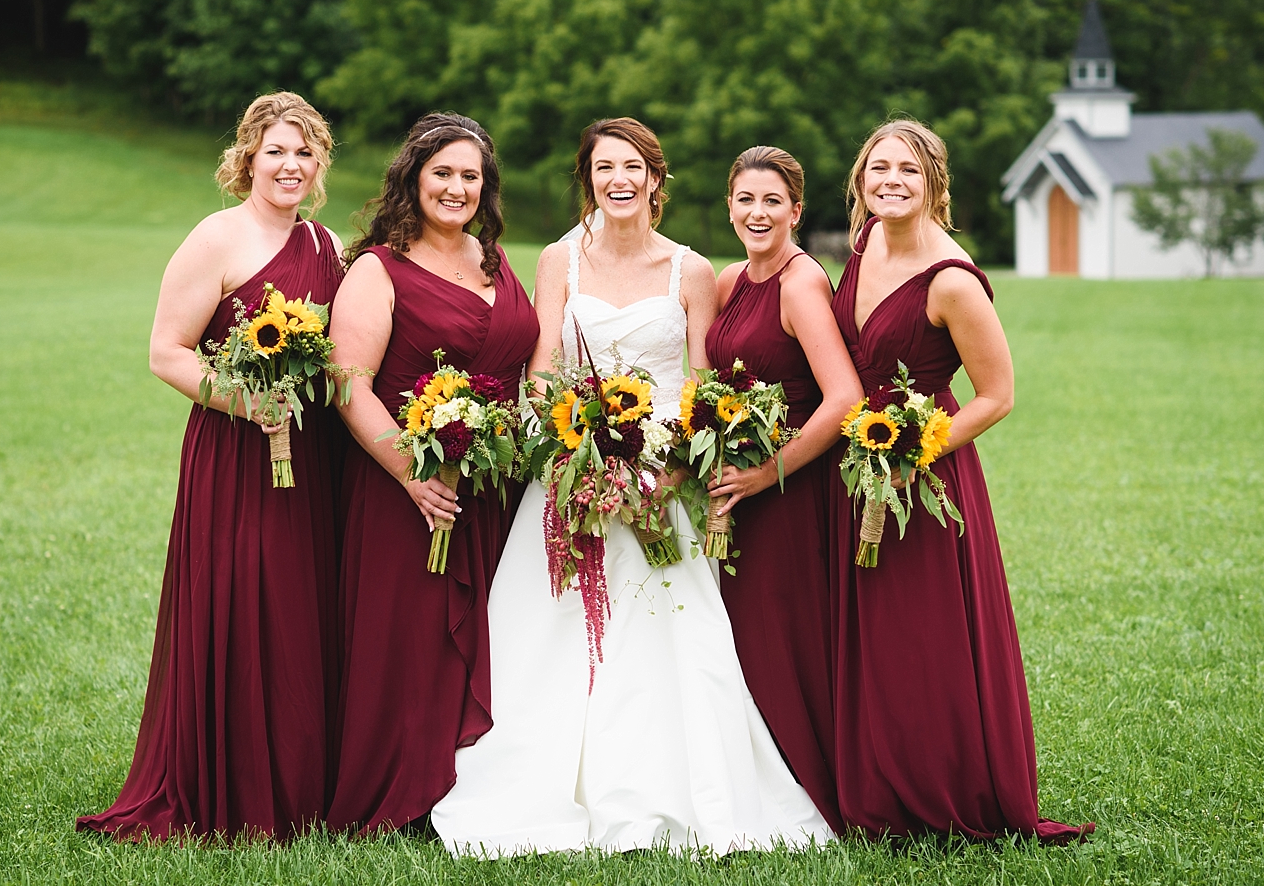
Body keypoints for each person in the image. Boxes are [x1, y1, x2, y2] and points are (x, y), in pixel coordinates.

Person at [431, 118, 834, 855]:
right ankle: (544, 781)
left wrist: (673, 462)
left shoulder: (692, 270)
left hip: (661, 480)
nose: (618, 179)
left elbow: (703, 380)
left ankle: (671, 785)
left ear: (656, 179)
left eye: (633, 167)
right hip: (572, 471)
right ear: (588, 178)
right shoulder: (560, 259)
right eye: (603, 166)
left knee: (666, 634)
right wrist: (569, 440)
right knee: (547, 634)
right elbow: (545, 363)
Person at [77, 92, 345, 841]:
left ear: (319, 162)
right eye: (276, 152)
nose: (289, 165)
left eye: (304, 152)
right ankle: (222, 782)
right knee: (241, 600)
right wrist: (243, 402)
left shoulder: (326, 247)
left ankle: (300, 786)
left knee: (300, 607)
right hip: (235, 451)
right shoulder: (216, 237)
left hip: (310, 457)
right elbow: (166, 349)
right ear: (248, 158)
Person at [828, 119, 1092, 842]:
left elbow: (998, 393)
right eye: (878, 167)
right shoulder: (865, 244)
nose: (891, 180)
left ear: (934, 184)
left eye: (908, 171)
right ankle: (878, 785)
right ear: (859, 179)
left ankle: (944, 792)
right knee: (874, 634)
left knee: (925, 635)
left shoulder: (950, 279)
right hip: (855, 464)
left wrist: (915, 448)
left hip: (925, 476)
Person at [325, 113, 539, 835]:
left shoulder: (496, 261)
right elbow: (349, 384)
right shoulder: (377, 269)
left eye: (470, 175)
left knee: (494, 634)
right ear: (413, 178)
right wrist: (412, 474)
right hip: (406, 490)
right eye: (442, 172)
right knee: (410, 639)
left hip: (494, 488)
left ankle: (473, 783)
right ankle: (404, 787)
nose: (456, 187)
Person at [704, 147, 862, 835]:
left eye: (773, 201)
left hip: (792, 492)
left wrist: (766, 473)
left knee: (782, 639)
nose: (757, 213)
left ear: (796, 210)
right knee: (739, 638)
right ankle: (752, 775)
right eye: (746, 200)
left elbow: (843, 398)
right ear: (730, 206)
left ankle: (809, 781)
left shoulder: (801, 284)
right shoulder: (728, 278)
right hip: (736, 487)